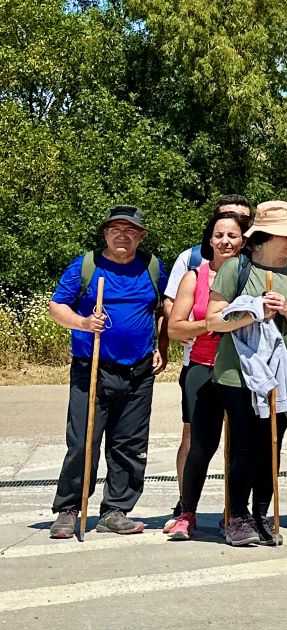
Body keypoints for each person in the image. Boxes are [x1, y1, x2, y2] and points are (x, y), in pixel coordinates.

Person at [198, 201, 287, 547]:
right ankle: (236, 515)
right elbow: (213, 320)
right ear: (263, 237)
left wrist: (286, 310)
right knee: (248, 445)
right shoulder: (236, 268)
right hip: (238, 372)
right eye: (286, 235)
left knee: (272, 447)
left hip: (284, 372)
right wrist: (254, 311)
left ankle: (263, 512)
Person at [47, 206, 167, 539]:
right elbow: (57, 306)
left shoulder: (153, 267)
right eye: (116, 229)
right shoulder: (86, 266)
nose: (123, 235)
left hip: (139, 371)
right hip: (93, 368)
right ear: (105, 233)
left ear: (141, 236)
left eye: (131, 230)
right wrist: (83, 323)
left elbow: (162, 311)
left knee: (129, 444)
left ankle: (115, 510)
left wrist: (162, 345)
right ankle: (69, 509)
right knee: (82, 441)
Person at [163, 194, 252, 512]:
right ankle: (186, 506)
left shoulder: (252, 274)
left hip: (244, 369)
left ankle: (238, 511)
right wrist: (212, 324)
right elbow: (175, 327)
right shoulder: (193, 273)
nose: (226, 240)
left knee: (244, 443)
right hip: (201, 364)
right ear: (209, 239)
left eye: (234, 234)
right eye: (220, 234)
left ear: (244, 240)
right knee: (199, 440)